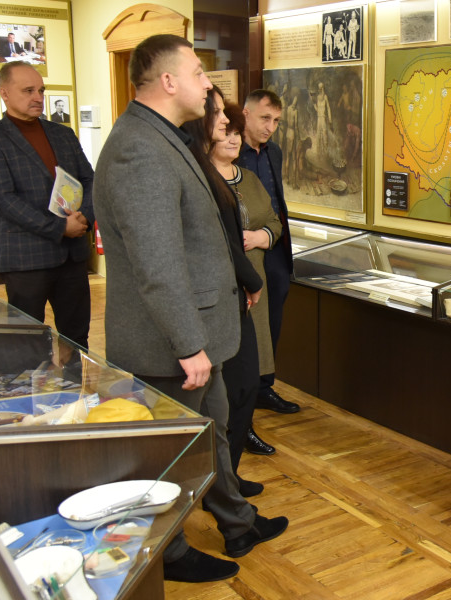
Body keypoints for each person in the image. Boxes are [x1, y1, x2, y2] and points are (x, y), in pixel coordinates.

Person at [93, 34, 287, 583]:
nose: (210, 83)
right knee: (172, 455)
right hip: (175, 344)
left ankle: (236, 521)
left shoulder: (164, 136)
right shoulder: (139, 148)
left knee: (214, 431)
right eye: (199, 72)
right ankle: (168, 554)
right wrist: (188, 343)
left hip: (201, 332)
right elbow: (158, 264)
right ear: (169, 81)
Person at [180, 86, 278, 497]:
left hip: (247, 293)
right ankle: (219, 488)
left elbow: (274, 222)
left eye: (236, 129)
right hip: (219, 298)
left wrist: (262, 239)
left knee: (242, 390)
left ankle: (228, 483)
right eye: (224, 125)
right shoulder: (197, 176)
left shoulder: (250, 177)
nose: (232, 134)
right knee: (220, 399)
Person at [0, 62, 93, 349]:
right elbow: (3, 200)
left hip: (72, 257)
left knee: (76, 339)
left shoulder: (63, 134)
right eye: (28, 90)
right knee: (26, 342)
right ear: (4, 93)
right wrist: (60, 227)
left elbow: (90, 180)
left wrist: (84, 217)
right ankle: (29, 394)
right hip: (26, 259)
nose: (38, 97)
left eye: (41, 90)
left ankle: (77, 392)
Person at [239, 89, 301, 426]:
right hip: (244, 248)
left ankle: (264, 386)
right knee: (249, 317)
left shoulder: (273, 152)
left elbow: (276, 198)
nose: (270, 127)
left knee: (273, 313)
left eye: (276, 121)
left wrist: (272, 235)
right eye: (265, 118)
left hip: (275, 244)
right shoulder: (231, 152)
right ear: (245, 114)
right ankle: (244, 389)